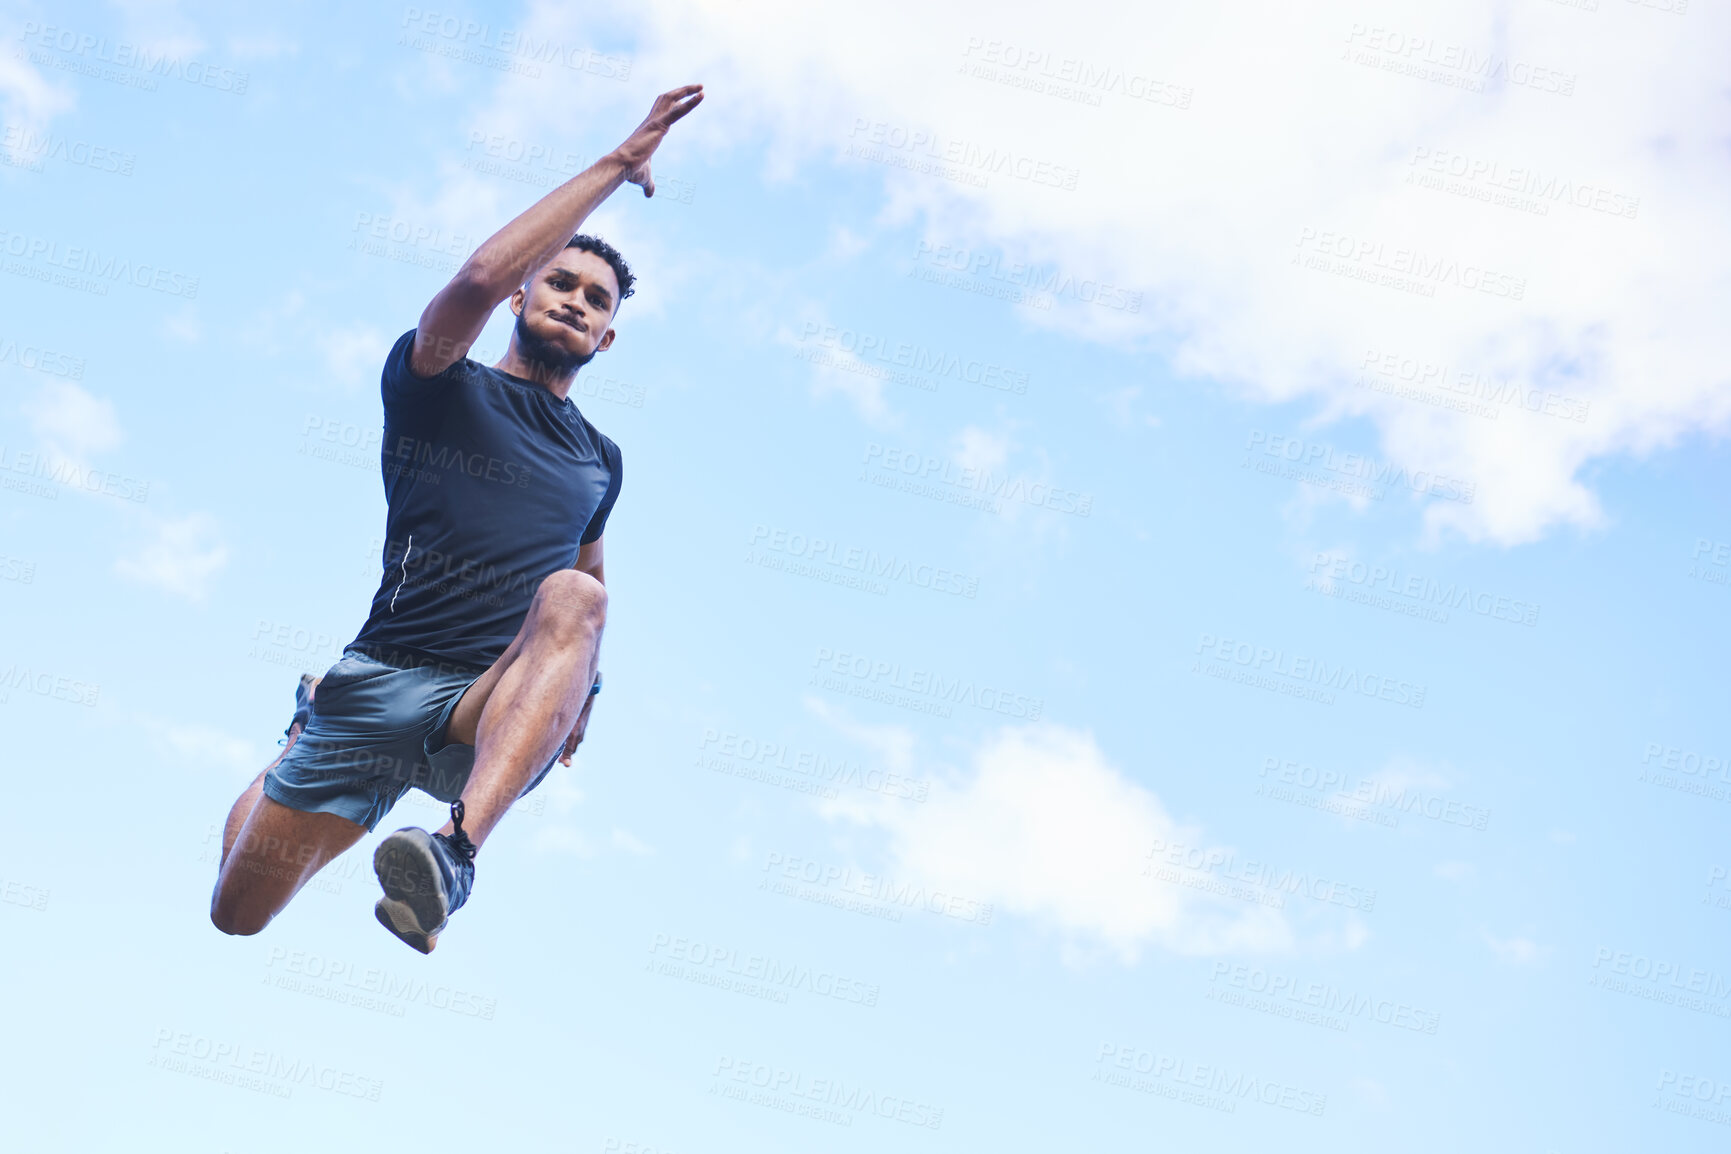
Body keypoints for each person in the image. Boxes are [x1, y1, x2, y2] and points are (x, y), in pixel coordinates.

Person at [209, 83, 704, 953]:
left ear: (608, 337)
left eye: (597, 299)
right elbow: (475, 278)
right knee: (237, 913)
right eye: (560, 281)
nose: (577, 301)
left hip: (488, 704)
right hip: (379, 678)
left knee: (579, 603)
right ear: (522, 295)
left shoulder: (602, 458)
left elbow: (585, 579)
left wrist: (582, 693)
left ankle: (454, 854)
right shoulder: (439, 387)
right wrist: (620, 163)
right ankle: (302, 729)